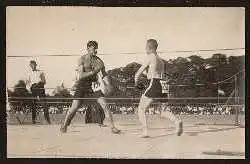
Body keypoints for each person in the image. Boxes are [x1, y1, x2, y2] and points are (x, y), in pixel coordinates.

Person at [60, 40, 120, 134]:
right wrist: (93, 72)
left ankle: (113, 127)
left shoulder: (99, 61)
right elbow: (81, 75)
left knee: (104, 105)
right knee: (74, 107)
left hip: (94, 84)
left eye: (96, 48)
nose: (95, 50)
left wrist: (108, 84)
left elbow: (104, 74)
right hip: (82, 84)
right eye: (93, 48)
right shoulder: (82, 59)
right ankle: (64, 125)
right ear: (88, 49)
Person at [134, 39, 183, 138]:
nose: (145, 49)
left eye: (146, 47)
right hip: (163, 84)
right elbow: (153, 73)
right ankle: (177, 121)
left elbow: (138, 73)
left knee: (141, 109)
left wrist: (136, 82)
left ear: (149, 47)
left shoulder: (150, 57)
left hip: (155, 83)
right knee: (163, 111)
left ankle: (145, 132)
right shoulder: (161, 60)